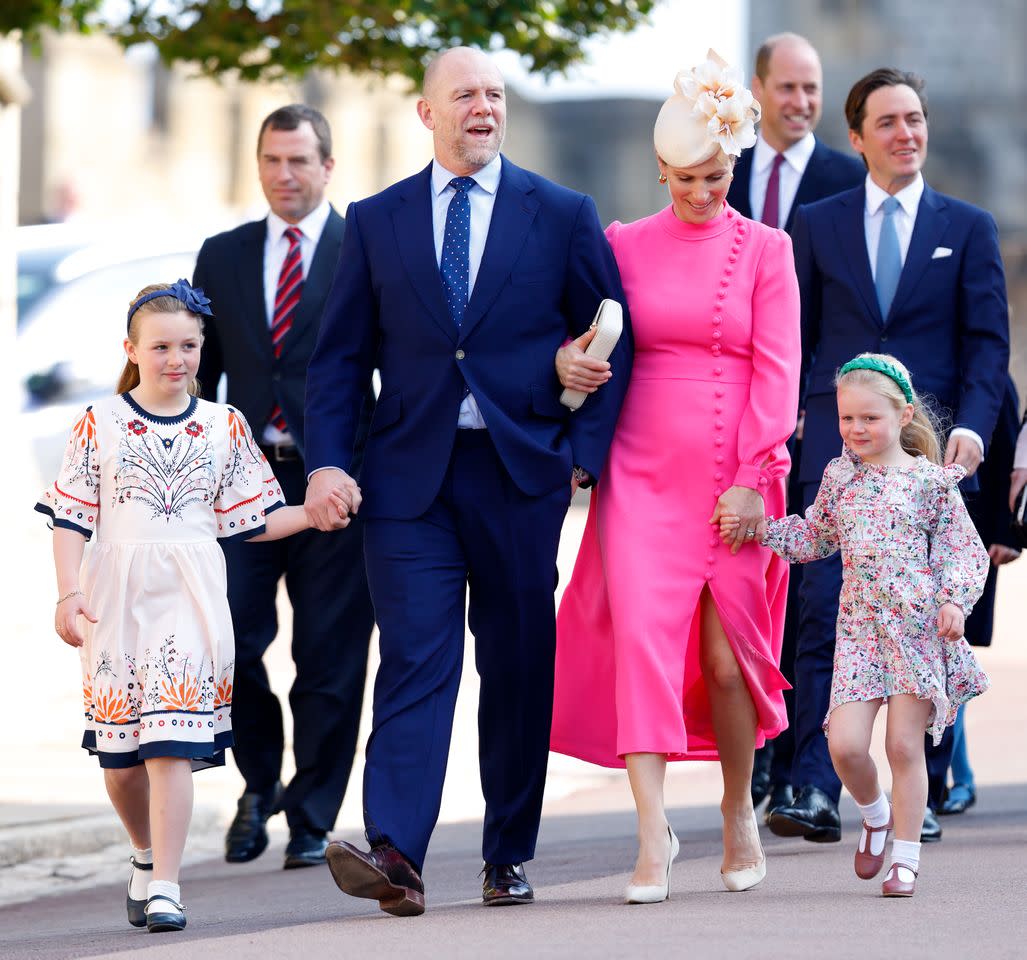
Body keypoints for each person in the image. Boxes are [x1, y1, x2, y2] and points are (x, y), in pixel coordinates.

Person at [303, 46, 631, 916]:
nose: (482, 108)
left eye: (494, 95)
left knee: (518, 666)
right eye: (464, 96)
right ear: (427, 113)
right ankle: (396, 854)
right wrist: (330, 459)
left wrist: (581, 456)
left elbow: (613, 335)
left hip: (521, 477)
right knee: (414, 660)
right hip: (407, 484)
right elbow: (337, 360)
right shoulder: (375, 221)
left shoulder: (560, 213)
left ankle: (507, 851)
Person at [552, 50, 799, 903]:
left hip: (736, 471)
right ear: (660, 170)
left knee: (728, 662)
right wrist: (569, 367)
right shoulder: (619, 243)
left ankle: (735, 809)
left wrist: (752, 474)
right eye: (688, 178)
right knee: (644, 652)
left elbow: (779, 370)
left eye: (718, 176)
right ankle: (650, 834)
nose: (703, 192)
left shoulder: (769, 249)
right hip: (639, 471)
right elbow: (585, 342)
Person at [768, 68, 1009, 848]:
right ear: (856, 136)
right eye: (889, 122)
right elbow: (794, 334)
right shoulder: (817, 222)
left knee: (926, 621)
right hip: (832, 449)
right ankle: (811, 782)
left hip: (924, 461)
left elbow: (985, 344)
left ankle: (924, 787)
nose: (906, 133)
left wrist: (972, 428)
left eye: (915, 118)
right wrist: (793, 425)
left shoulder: (966, 225)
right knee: (818, 611)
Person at [35, 281, 319, 932]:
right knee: (123, 763)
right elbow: (71, 519)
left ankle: (166, 884)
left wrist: (312, 514)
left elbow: (255, 517)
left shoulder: (224, 425)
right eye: (160, 346)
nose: (176, 358)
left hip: (192, 601)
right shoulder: (98, 424)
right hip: (115, 601)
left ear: (201, 350)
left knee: (169, 745)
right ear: (132, 350)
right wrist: (69, 593)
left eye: (188, 346)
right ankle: (143, 853)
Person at [727, 354, 990, 897]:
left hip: (917, 632)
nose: (856, 429)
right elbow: (815, 537)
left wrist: (954, 604)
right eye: (847, 419)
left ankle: (907, 856)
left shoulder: (932, 483)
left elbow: (965, 555)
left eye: (870, 418)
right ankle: (875, 814)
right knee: (845, 746)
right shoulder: (838, 476)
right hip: (859, 633)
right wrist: (762, 531)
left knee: (902, 745)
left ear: (904, 415)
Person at [193, 104, 375, 870]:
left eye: (300, 160)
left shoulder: (362, 249)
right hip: (242, 484)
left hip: (335, 483)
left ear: (328, 166)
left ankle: (310, 814)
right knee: (228, 642)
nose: (284, 174)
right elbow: (199, 379)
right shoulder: (223, 254)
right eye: (272, 160)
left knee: (329, 657)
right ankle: (259, 783)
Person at [726, 32, 865, 816]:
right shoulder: (722, 171)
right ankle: (753, 757)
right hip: (731, 417)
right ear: (757, 90)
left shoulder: (849, 178)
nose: (801, 103)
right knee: (751, 593)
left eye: (812, 89)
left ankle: (799, 770)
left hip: (812, 419)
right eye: (787, 88)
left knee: (813, 597)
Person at [936, 377, 1022, 815]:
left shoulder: (990, 381)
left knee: (953, 654)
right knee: (938, 658)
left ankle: (961, 778)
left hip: (976, 540)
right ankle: (960, 777)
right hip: (917, 547)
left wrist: (1009, 532)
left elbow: (1010, 448)